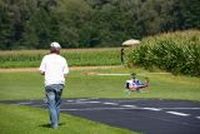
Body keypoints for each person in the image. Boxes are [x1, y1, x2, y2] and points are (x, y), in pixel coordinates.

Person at [39, 42, 69, 129]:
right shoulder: (63, 59)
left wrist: (48, 72)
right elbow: (66, 73)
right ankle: (56, 122)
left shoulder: (46, 58)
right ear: (58, 49)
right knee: (57, 104)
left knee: (51, 104)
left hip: (49, 84)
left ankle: (54, 124)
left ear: (50, 49)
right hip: (60, 84)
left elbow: (41, 71)